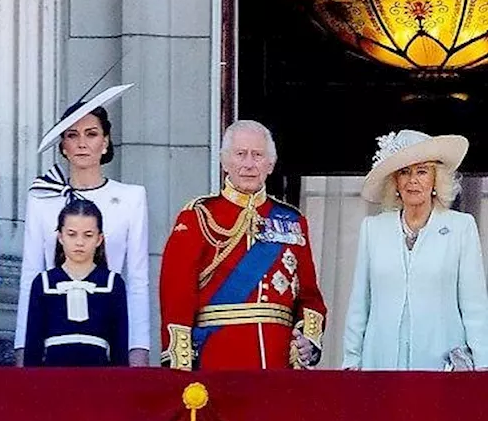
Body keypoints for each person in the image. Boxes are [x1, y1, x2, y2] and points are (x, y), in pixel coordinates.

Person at [159, 120, 327, 370]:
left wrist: (308, 341)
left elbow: (310, 298)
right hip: (217, 358)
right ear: (225, 162)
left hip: (277, 361)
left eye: (257, 155)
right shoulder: (198, 216)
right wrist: (181, 367)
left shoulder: (291, 220)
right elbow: (176, 296)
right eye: (240, 154)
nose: (249, 164)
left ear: (270, 164)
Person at [16, 86, 149, 366]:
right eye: (72, 135)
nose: (81, 143)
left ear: (106, 141)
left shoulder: (131, 198)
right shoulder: (42, 198)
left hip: (107, 330)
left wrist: (139, 348)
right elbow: (31, 274)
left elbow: (137, 279)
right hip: (54, 336)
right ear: (62, 145)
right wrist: (22, 347)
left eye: (91, 134)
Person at [342, 130, 489, 370]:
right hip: (381, 364)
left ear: (435, 180)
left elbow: (475, 306)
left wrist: (483, 364)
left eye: (422, 172)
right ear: (395, 182)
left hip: (441, 366)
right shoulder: (374, 229)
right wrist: (351, 360)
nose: (413, 180)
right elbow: (360, 303)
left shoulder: (461, 227)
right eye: (404, 172)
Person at [23, 198, 129, 367]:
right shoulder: (43, 282)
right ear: (60, 237)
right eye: (72, 234)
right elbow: (32, 346)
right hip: (53, 378)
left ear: (99, 239)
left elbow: (120, 347)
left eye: (88, 235)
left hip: (99, 378)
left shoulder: (113, 283)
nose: (79, 242)